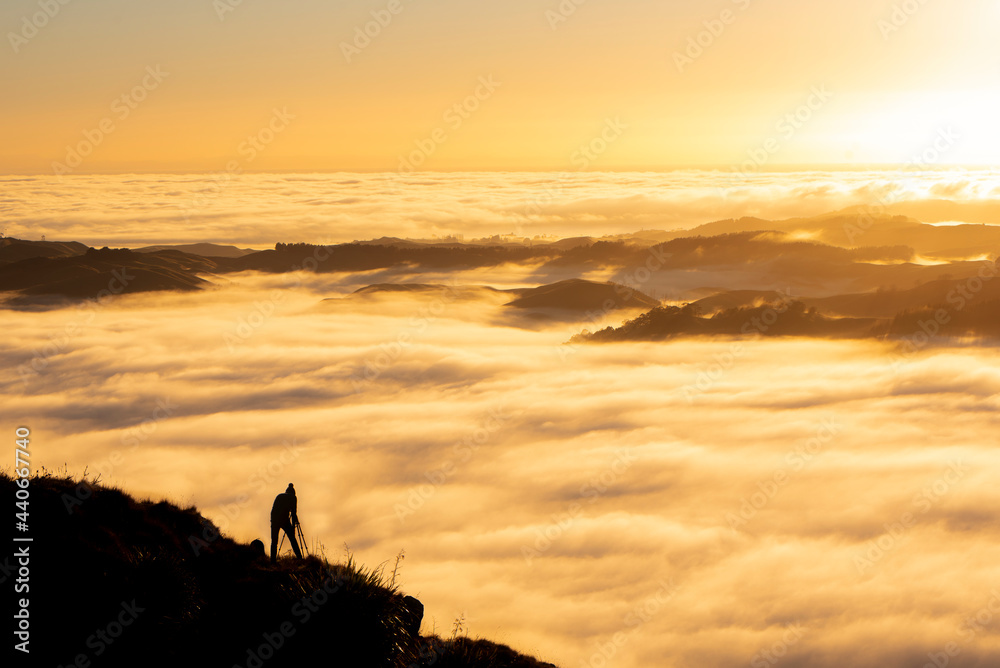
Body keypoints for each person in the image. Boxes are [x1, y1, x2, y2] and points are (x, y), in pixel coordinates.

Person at [270, 483, 303, 562]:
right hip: (284, 520)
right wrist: (293, 527)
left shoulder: (279, 496)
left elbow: (273, 509)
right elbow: (293, 513)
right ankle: (300, 558)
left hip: (274, 519)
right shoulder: (293, 498)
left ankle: (273, 561)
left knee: (274, 541)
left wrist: (272, 520)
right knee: (292, 539)